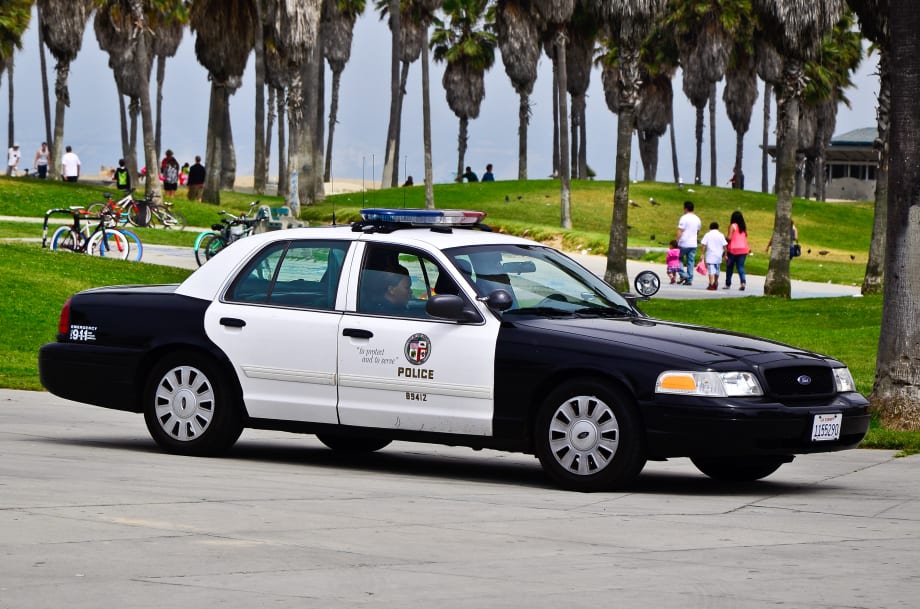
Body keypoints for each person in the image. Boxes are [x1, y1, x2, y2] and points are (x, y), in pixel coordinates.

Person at [676, 200, 702, 286]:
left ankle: (684, 275)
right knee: (690, 262)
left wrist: (676, 241)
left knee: (677, 259)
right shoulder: (697, 219)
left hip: (683, 243)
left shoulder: (684, 218)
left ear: (686, 208)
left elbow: (680, 231)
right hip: (693, 244)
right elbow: (697, 232)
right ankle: (689, 279)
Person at [724, 210, 750, 291]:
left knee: (729, 266)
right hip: (744, 249)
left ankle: (728, 284)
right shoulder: (743, 227)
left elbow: (729, 238)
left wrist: (724, 238)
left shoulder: (732, 226)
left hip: (733, 249)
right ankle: (743, 282)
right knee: (740, 266)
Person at [700, 221, 728, 291]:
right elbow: (725, 246)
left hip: (710, 255)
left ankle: (711, 284)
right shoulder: (721, 235)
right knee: (717, 270)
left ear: (710, 227)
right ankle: (716, 282)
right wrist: (725, 255)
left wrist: (702, 253)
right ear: (718, 228)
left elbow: (703, 245)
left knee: (711, 271)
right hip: (718, 256)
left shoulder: (708, 234)